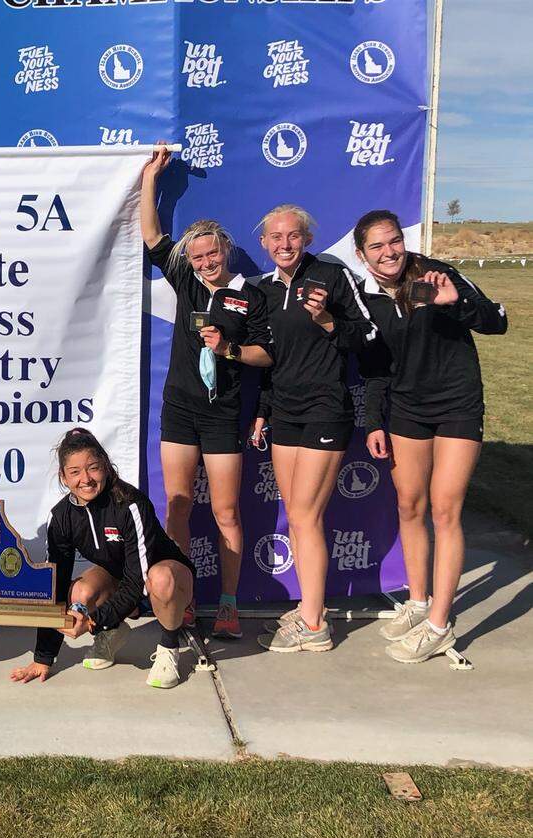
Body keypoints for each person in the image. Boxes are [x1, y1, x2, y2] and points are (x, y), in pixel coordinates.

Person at [355, 209, 507, 663]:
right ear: (363, 256)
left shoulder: (437, 275)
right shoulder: (368, 298)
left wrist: (454, 302)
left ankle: (440, 624)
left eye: (394, 241)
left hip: (458, 405)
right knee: (410, 505)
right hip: (406, 411)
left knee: (445, 510)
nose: (389, 252)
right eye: (377, 246)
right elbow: (377, 367)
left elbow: (496, 321)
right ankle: (418, 603)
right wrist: (374, 421)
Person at [140, 147, 271, 639]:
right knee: (176, 505)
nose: (206, 261)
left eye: (212, 253)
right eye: (197, 256)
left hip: (222, 415)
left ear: (226, 251)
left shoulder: (250, 295)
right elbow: (152, 235)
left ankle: (230, 605)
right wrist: (151, 177)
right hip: (179, 409)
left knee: (226, 512)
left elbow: (267, 356)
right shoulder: (185, 281)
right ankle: (184, 596)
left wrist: (231, 349)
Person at [251, 204, 376, 653]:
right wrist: (263, 411)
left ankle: (314, 625)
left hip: (326, 410)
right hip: (284, 413)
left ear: (306, 238)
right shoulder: (262, 290)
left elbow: (367, 336)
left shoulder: (332, 276)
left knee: (305, 517)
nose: (284, 244)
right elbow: (272, 360)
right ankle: (310, 608)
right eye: (275, 237)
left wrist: (327, 320)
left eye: (293, 235)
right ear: (264, 244)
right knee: (298, 516)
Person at [10, 428, 195, 688]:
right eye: (74, 472)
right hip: (122, 580)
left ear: (106, 467)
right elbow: (56, 586)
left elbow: (137, 581)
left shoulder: (131, 504)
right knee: (79, 593)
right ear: (63, 477)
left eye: (93, 468)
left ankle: (168, 647)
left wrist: (91, 621)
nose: (85, 479)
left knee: (160, 578)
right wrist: (44, 657)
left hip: (166, 579)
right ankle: (112, 633)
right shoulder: (61, 516)